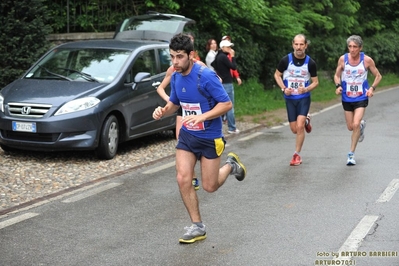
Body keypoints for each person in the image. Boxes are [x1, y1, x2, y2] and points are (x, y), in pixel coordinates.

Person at [152, 33, 247, 244]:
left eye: (179, 57)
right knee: (182, 178)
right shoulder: (176, 76)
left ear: (191, 55)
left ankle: (231, 165)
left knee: (209, 186)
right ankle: (197, 226)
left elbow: (226, 104)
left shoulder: (205, 76)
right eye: (172, 57)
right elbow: (175, 104)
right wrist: (162, 111)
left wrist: (202, 116)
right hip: (187, 136)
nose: (175, 62)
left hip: (210, 137)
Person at [333, 35, 382, 166]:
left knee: (354, 124)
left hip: (361, 96)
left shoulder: (367, 60)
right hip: (347, 97)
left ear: (360, 48)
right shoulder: (343, 59)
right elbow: (337, 75)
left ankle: (351, 154)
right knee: (351, 127)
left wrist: (371, 88)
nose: (352, 49)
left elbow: (378, 75)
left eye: (355, 47)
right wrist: (338, 86)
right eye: (350, 46)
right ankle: (361, 126)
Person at [274, 34, 319, 166]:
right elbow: (277, 75)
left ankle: (296, 155)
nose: (299, 47)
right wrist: (283, 88)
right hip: (290, 98)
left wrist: (306, 89)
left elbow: (316, 82)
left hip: (303, 98)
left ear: (306, 46)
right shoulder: (285, 60)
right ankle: (306, 120)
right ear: (293, 45)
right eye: (296, 44)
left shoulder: (310, 63)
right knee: (294, 129)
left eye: (301, 44)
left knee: (299, 128)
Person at [212, 39, 240, 133]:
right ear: (222, 47)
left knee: (220, 105)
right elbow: (233, 66)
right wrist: (233, 57)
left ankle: (217, 127)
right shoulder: (224, 57)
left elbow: (213, 65)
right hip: (227, 83)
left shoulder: (218, 56)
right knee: (229, 105)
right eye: (227, 47)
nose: (229, 49)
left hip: (220, 83)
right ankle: (232, 127)